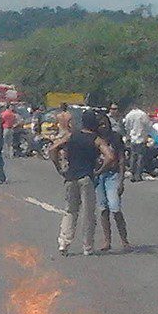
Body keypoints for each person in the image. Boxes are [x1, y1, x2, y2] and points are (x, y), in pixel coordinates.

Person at [50, 110, 115, 256]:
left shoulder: (72, 135)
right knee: (88, 213)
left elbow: (53, 149)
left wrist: (59, 167)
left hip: (70, 176)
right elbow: (110, 156)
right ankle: (87, 246)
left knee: (70, 211)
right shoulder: (96, 139)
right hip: (87, 177)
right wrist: (99, 170)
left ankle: (64, 243)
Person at [96, 114, 132, 252]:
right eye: (100, 124)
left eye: (105, 123)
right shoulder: (95, 138)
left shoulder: (115, 137)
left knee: (115, 208)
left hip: (113, 175)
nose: (103, 126)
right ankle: (107, 241)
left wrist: (121, 180)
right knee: (103, 208)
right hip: (98, 176)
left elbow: (122, 159)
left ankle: (124, 240)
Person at [124, 105, 151, 182]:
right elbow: (148, 125)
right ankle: (138, 175)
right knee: (140, 157)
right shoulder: (143, 114)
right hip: (141, 138)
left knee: (133, 156)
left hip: (133, 138)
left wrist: (128, 135)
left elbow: (126, 126)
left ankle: (132, 173)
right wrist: (146, 135)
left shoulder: (129, 115)